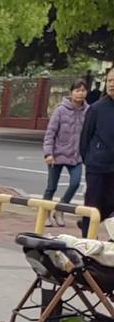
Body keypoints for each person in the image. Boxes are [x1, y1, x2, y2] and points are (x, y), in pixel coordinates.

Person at [43, 81, 88, 204]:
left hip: (76, 156)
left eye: (83, 90)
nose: (80, 93)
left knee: (75, 183)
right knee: (51, 187)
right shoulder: (60, 110)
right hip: (56, 155)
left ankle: (61, 207)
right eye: (77, 90)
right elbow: (50, 133)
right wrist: (48, 154)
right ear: (71, 92)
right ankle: (44, 211)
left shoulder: (89, 111)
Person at [80, 66, 114, 227]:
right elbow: (85, 139)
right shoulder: (97, 109)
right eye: (109, 80)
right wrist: (91, 160)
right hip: (98, 167)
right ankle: (87, 235)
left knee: (110, 206)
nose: (112, 84)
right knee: (92, 205)